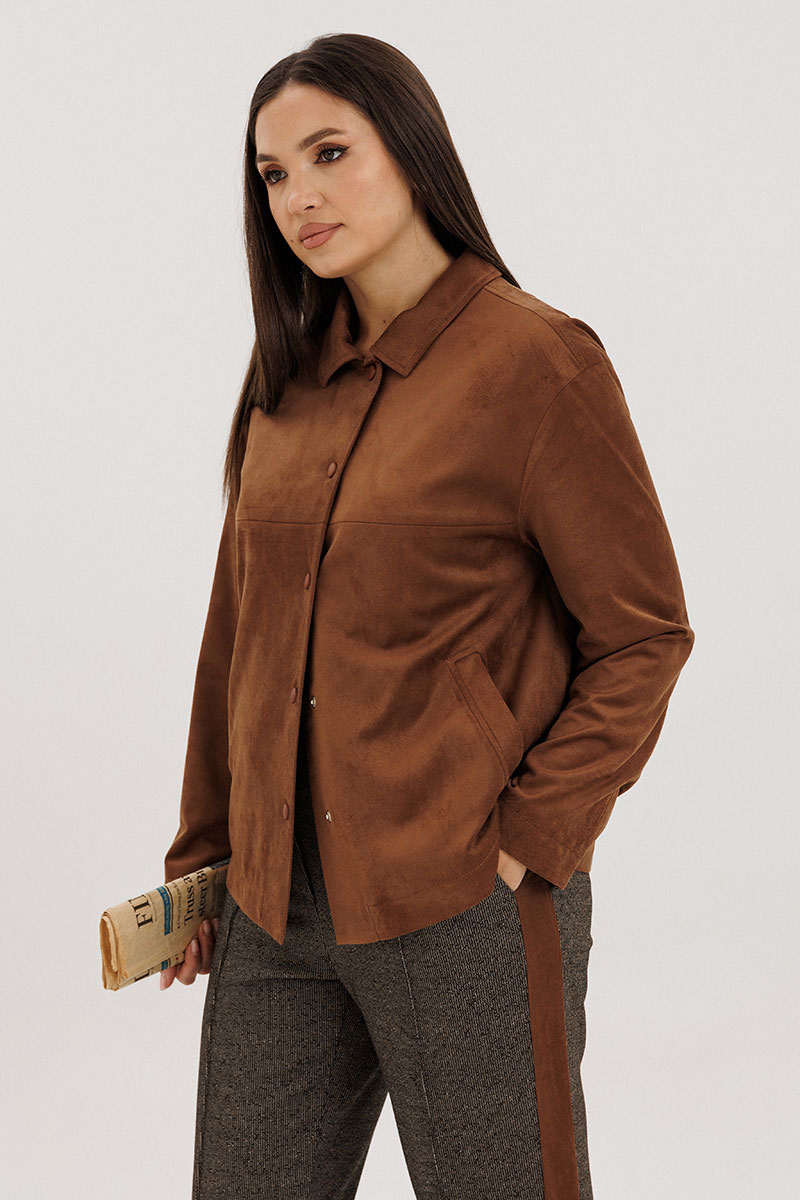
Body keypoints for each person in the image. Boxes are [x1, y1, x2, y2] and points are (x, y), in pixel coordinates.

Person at [159, 31, 695, 1200]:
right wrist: (204, 851)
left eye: (329, 153)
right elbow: (236, 636)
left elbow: (643, 634)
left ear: (409, 149)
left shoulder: (536, 364)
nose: (298, 196)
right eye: (272, 173)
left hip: (461, 898)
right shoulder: (284, 380)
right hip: (272, 909)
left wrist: (533, 837)